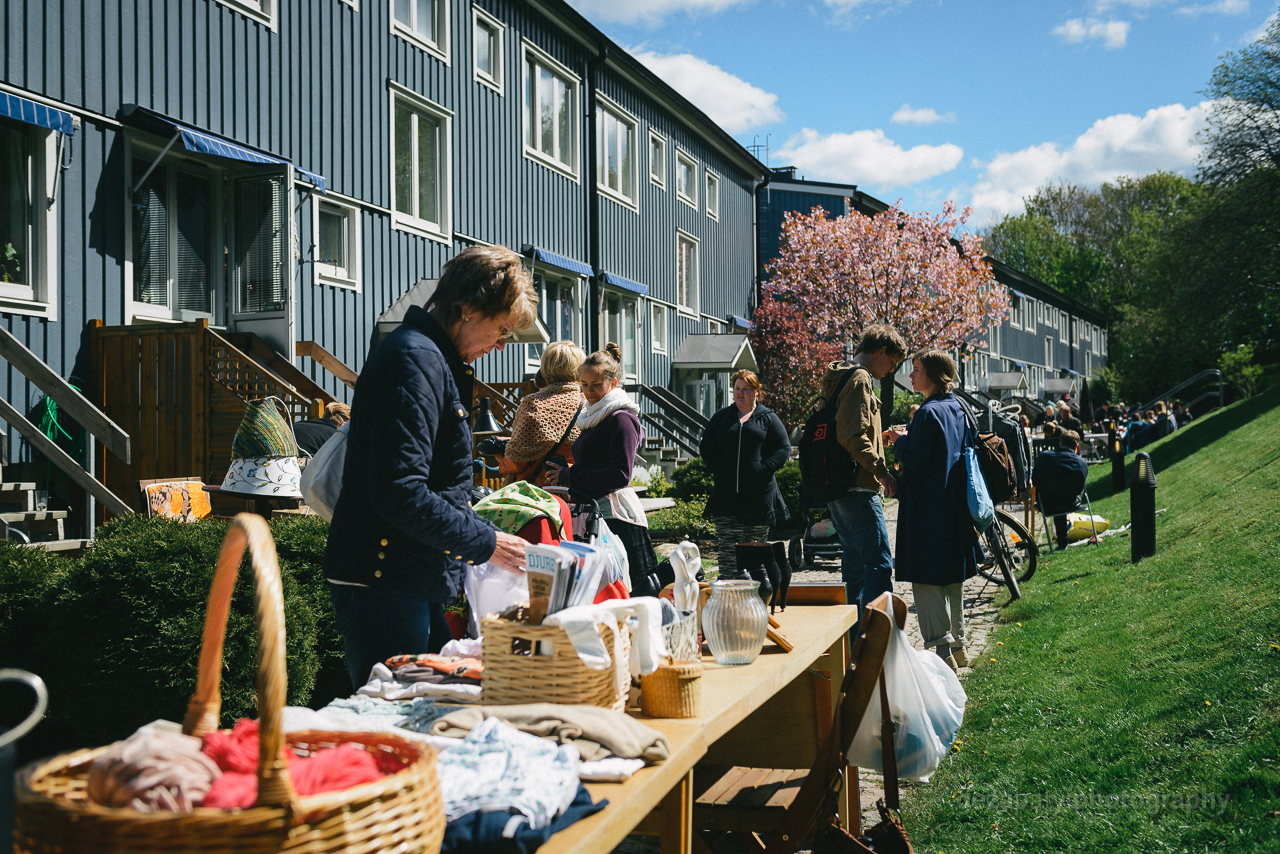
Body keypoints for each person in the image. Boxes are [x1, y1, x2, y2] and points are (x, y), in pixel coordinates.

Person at [323, 246, 536, 691]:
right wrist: (485, 542)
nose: (500, 346)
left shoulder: (429, 357)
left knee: (438, 701)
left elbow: (429, 485)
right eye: (500, 330)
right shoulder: (415, 360)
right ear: (469, 309)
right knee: (398, 715)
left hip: (401, 575)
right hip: (386, 580)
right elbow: (400, 490)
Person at [883, 350, 981, 673]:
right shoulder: (958, 408)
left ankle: (941, 652)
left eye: (916, 370)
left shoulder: (927, 413)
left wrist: (898, 441)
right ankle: (960, 645)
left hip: (928, 509)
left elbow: (916, 460)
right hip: (954, 507)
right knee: (952, 578)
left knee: (925, 582)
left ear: (934, 374)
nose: (911, 376)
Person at [545, 343, 660, 596]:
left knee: (633, 594)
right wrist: (569, 471)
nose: (588, 391)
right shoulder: (593, 416)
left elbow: (620, 475)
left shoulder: (621, 419)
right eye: (584, 384)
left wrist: (570, 476)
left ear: (614, 382)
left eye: (595, 385)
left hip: (618, 519)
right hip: (595, 516)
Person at [818, 324, 905, 620]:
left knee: (853, 569)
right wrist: (881, 471)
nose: (891, 371)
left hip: (839, 487)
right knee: (880, 565)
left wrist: (875, 441)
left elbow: (848, 430)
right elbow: (851, 435)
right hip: (858, 488)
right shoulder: (859, 378)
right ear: (880, 351)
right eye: (892, 362)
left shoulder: (839, 375)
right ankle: (874, 642)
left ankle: (853, 643)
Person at [699, 369, 791, 580]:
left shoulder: (768, 417)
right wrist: (719, 469)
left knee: (754, 553)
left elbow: (784, 448)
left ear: (756, 392)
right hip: (726, 497)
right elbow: (706, 447)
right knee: (729, 552)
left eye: (746, 389)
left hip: (758, 498)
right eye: (737, 389)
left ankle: (756, 600)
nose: (740, 394)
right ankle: (728, 600)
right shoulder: (722, 417)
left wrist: (763, 469)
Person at [496, 342, 586, 486]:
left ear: (545, 369)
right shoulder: (589, 405)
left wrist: (501, 459)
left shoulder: (534, 404)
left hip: (539, 494)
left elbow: (517, 460)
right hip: (578, 488)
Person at [1032, 430, 1090, 551]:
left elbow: (1035, 480)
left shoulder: (1044, 457)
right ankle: (1062, 541)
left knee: (1057, 495)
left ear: (1060, 444)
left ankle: (1062, 542)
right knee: (1064, 494)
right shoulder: (1081, 462)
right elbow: (1080, 486)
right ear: (1077, 447)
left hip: (1046, 503)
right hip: (1070, 503)